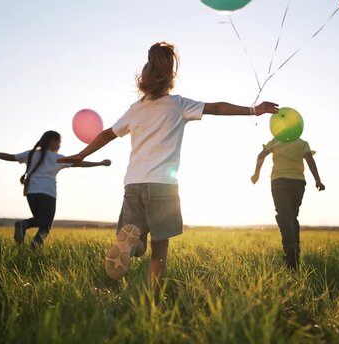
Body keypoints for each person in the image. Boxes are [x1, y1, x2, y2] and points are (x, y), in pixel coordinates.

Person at [58, 41, 279, 290]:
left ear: (144, 77)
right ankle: (153, 297)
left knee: (137, 240)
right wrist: (253, 110)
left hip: (134, 184)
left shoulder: (135, 110)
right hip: (163, 185)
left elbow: (108, 134)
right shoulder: (179, 105)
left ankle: (130, 244)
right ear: (170, 77)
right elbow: (216, 108)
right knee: (159, 248)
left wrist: (81, 154)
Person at [0, 130, 111, 248]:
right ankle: (25, 229)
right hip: (47, 193)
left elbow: (10, 157)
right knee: (45, 226)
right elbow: (80, 163)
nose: (60, 145)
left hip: (31, 193)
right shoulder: (57, 158)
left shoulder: (30, 154)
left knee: (41, 222)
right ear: (52, 141)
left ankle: (28, 248)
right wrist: (100, 163)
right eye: (59, 142)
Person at [250, 138, 325, 270]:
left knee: (284, 216)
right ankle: (294, 251)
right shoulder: (302, 143)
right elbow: (310, 160)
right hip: (298, 182)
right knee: (292, 217)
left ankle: (290, 249)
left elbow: (261, 155)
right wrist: (317, 180)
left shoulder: (275, 141)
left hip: (279, 182)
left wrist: (256, 174)